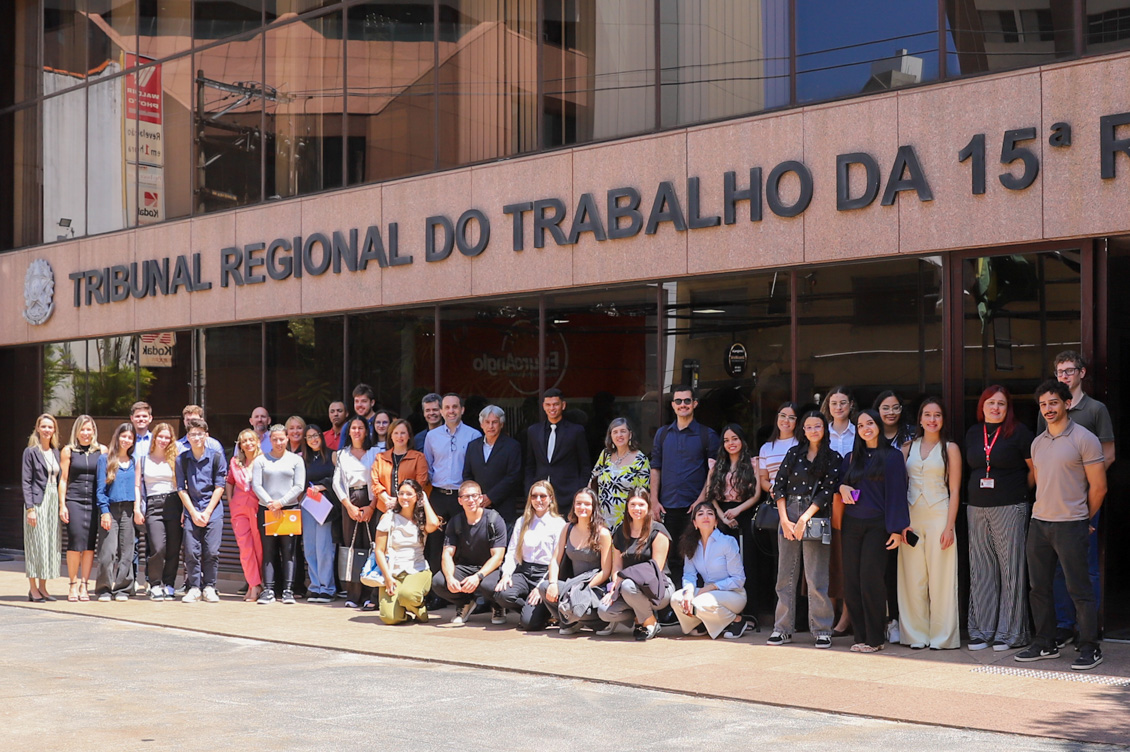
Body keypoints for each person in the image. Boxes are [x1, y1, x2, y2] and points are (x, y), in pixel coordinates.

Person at [1017, 380, 1107, 671]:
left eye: (1053, 402)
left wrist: (1085, 518)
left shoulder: (1085, 438)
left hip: (1071, 524)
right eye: (1043, 404)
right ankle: (1045, 642)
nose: (1048, 409)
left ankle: (1090, 646)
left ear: (1067, 404)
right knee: (1038, 588)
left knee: (1078, 588)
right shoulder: (1038, 442)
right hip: (1040, 523)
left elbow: (1099, 487)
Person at [1039, 351, 1115, 648]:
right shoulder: (1047, 409)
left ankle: (1089, 629)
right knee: (1058, 566)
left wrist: (1083, 483)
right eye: (1060, 371)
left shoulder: (1096, 409)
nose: (1065, 376)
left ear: (1081, 373)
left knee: (1087, 566)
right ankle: (1064, 625)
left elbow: (1108, 455)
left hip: (1085, 499)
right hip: (1054, 502)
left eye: (1070, 371)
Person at [964, 385, 1034, 651]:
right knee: (981, 570)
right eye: (991, 403)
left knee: (1011, 570)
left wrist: (1018, 493)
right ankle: (982, 631)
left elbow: (1034, 470)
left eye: (1001, 404)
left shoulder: (1020, 432)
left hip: (1011, 507)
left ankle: (1010, 633)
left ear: (1008, 408)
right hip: (976, 507)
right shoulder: (973, 433)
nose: (996, 408)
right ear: (982, 406)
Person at [838, 409, 911, 653]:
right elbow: (838, 483)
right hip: (851, 525)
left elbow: (897, 494)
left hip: (878, 526)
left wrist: (897, 529)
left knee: (871, 580)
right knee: (852, 582)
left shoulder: (892, 456)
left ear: (878, 425)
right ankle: (859, 636)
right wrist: (843, 487)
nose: (865, 428)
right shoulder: (851, 457)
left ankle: (875, 638)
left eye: (870, 423)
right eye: (860, 425)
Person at [768, 411, 841, 648]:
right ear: (803, 430)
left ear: (824, 429)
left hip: (816, 514)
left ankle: (821, 629)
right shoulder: (793, 453)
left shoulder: (832, 457)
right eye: (808, 427)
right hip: (788, 511)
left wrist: (805, 518)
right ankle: (782, 628)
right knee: (785, 575)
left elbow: (827, 492)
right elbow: (778, 487)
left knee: (816, 576)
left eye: (817, 426)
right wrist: (785, 520)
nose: (813, 431)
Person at [898, 398, 961, 650]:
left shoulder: (950, 448)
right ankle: (915, 635)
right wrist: (901, 523)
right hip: (912, 517)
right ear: (920, 419)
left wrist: (949, 527)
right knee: (912, 578)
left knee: (942, 578)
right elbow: (899, 489)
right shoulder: (906, 448)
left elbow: (955, 490)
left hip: (939, 515)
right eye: (927, 415)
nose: (932, 419)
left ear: (942, 419)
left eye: (937, 415)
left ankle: (942, 637)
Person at [650, 385, 720, 586]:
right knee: (669, 559)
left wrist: (700, 501)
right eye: (678, 401)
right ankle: (673, 607)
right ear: (672, 405)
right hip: (667, 507)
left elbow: (712, 472)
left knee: (696, 557)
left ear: (695, 404)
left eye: (687, 401)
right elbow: (655, 469)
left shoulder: (707, 435)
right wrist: (654, 500)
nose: (683, 405)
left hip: (695, 509)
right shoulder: (662, 435)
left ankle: (697, 605)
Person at [424, 393, 482, 589]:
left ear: (462, 410)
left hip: (463, 498)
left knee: (464, 543)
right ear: (441, 411)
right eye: (447, 408)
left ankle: (462, 590)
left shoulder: (474, 435)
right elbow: (428, 467)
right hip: (438, 497)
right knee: (435, 543)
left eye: (455, 407)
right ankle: (436, 591)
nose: (451, 411)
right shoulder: (431, 437)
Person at [598, 490, 673, 640]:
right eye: (633, 504)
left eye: (641, 505)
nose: (637, 509)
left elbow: (655, 568)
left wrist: (622, 578)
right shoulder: (621, 530)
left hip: (657, 588)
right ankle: (643, 618)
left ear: (648, 507)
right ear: (627, 507)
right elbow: (617, 566)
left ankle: (648, 621)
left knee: (627, 585)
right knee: (604, 611)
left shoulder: (658, 531)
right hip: (628, 589)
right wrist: (614, 584)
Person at [432, 480, 508, 625]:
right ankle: (465, 603)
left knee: (488, 586)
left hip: (491, 569)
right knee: (438, 582)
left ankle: (498, 606)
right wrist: (449, 578)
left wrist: (478, 576)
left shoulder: (494, 519)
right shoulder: (455, 522)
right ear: (460, 500)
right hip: (466, 566)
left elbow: (498, 557)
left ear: (481, 498)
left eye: (474, 496)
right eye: (466, 497)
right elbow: (447, 554)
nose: (471, 500)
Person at [492, 480, 566, 630]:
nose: (538, 500)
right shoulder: (522, 522)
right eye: (534, 496)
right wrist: (506, 574)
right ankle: (531, 609)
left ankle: (541, 613)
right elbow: (512, 551)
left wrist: (540, 588)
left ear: (551, 498)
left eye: (543, 496)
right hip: (524, 571)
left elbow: (557, 560)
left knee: (529, 624)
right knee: (501, 594)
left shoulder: (558, 524)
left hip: (545, 574)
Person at [539, 488, 613, 634]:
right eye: (578, 503)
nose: (582, 507)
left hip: (594, 587)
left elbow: (606, 571)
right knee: (545, 587)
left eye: (587, 504)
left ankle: (597, 622)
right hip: (571, 584)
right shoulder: (567, 528)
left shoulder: (603, 533)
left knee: (580, 603)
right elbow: (555, 560)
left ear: (594, 507)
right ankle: (570, 621)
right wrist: (553, 583)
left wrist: (582, 588)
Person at [671, 501, 748, 639]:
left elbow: (739, 579)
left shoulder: (727, 542)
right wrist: (688, 591)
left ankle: (736, 620)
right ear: (695, 523)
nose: (705, 516)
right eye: (700, 514)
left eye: (710, 513)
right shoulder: (690, 544)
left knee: (701, 601)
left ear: (716, 521)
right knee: (677, 598)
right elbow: (689, 575)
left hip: (732, 594)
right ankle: (701, 623)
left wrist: (711, 587)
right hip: (707, 594)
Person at [872, 389, 911, 643]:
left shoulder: (910, 435)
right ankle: (888, 620)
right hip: (878, 508)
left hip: (909, 506)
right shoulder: (869, 435)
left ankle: (903, 619)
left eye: (895, 407)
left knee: (905, 569)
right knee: (883, 569)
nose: (890, 412)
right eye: (885, 408)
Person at [253, 424, 307, 605]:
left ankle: (288, 590)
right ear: (270, 440)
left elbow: (299, 485)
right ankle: (268, 589)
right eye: (274, 439)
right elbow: (257, 485)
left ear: (287, 439)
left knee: (289, 551)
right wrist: (270, 503)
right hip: (267, 509)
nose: (278, 442)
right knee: (268, 550)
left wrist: (281, 503)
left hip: (289, 509)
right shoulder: (261, 460)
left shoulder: (296, 460)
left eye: (281, 439)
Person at [373, 478, 440, 624]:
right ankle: (405, 612)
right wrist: (388, 578)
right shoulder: (388, 517)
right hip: (392, 572)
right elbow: (379, 550)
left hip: (417, 569)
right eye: (401, 493)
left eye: (409, 494)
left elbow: (434, 524)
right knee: (390, 618)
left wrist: (425, 500)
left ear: (417, 496)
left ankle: (419, 608)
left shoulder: (422, 520)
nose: (404, 497)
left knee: (408, 595)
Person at [175, 417, 227, 603]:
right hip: (191, 509)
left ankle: (210, 586)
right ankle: (194, 587)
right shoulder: (182, 459)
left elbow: (220, 487)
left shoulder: (216, 457)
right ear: (187, 437)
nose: (196, 437)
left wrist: (206, 512)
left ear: (206, 435)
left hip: (212, 510)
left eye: (199, 434)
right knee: (191, 551)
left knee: (212, 551)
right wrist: (193, 512)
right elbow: (181, 488)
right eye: (192, 434)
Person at [332, 416, 379, 608]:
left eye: (361, 428)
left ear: (366, 431)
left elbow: (379, 480)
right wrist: (348, 506)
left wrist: (372, 506)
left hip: (370, 501)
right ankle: (353, 595)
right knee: (351, 546)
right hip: (349, 502)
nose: (357, 431)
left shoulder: (375, 452)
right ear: (348, 432)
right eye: (353, 428)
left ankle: (370, 594)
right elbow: (336, 483)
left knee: (370, 545)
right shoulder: (342, 454)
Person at [58, 414, 106, 602]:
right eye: (82, 430)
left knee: (88, 545)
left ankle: (85, 585)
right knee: (76, 542)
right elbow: (63, 479)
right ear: (76, 432)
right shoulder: (68, 451)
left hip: (94, 502)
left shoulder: (101, 450)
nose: (86, 433)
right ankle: (72, 584)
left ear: (94, 431)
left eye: (89, 429)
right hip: (75, 500)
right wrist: (62, 504)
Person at [820, 386, 855, 636]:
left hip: (855, 500)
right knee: (829, 560)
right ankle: (829, 614)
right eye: (834, 403)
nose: (839, 407)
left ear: (851, 405)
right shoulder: (822, 431)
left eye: (843, 402)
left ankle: (848, 616)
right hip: (825, 501)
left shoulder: (859, 430)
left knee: (849, 559)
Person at [525, 388, 590, 515]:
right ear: (543, 406)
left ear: (563, 405)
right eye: (548, 405)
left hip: (568, 496)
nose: (552, 408)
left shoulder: (576, 431)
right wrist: (530, 490)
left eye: (555, 404)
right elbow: (530, 465)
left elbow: (585, 465)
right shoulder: (533, 431)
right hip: (540, 497)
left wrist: (579, 491)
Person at [136, 422, 181, 601]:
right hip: (153, 505)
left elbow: (181, 486)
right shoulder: (143, 460)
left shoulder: (176, 459)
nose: (163, 440)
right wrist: (137, 508)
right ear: (154, 437)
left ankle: (168, 584)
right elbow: (137, 486)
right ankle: (154, 584)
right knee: (157, 546)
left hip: (174, 503)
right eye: (160, 436)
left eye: (167, 437)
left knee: (173, 547)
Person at [94, 423, 137, 601]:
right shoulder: (105, 459)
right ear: (117, 437)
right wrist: (104, 511)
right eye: (123, 436)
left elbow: (137, 487)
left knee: (127, 551)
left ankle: (123, 589)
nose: (126, 440)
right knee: (108, 551)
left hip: (128, 510)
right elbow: (100, 490)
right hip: (110, 509)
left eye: (130, 437)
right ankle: (104, 588)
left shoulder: (133, 461)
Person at [462, 405, 524, 527]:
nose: (490, 426)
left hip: (503, 508)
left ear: (501, 424)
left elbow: (513, 477)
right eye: (487, 422)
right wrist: (475, 497)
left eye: (494, 422)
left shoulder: (512, 446)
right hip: (476, 507)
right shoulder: (472, 446)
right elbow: (467, 474)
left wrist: (490, 497)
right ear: (481, 425)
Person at [22, 414, 62, 602]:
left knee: (49, 544)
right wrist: (30, 509)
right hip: (38, 502)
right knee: (35, 545)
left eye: (50, 427)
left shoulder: (55, 451)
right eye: (44, 426)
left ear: (54, 430)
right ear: (38, 428)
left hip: (53, 501)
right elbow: (26, 481)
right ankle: (33, 588)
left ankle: (44, 588)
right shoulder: (30, 452)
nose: (47, 430)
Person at [226, 429, 265, 602]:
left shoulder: (265, 460)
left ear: (257, 441)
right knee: (245, 547)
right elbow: (229, 482)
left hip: (259, 507)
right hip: (240, 508)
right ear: (240, 445)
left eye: (251, 440)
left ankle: (257, 584)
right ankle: (253, 584)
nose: (248, 443)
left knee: (259, 548)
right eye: (244, 441)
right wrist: (230, 501)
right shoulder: (235, 462)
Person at [301, 424, 340, 603]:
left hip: (325, 503)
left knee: (323, 547)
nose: (313, 439)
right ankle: (315, 586)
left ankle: (327, 588)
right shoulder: (303, 459)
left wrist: (322, 486)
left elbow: (339, 478)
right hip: (308, 503)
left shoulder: (332, 455)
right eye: (309, 437)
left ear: (321, 436)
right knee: (310, 547)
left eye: (316, 435)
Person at [589, 417, 650, 528]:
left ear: (630, 435)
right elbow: (592, 481)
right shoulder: (605, 455)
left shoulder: (640, 459)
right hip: (602, 519)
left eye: (623, 431)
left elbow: (644, 494)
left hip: (627, 519)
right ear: (610, 436)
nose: (619, 435)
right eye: (615, 432)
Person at [371, 418, 431, 513]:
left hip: (409, 510)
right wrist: (387, 500)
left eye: (403, 433)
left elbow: (420, 483)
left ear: (409, 436)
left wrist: (400, 501)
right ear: (390, 436)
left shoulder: (418, 458)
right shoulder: (380, 458)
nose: (399, 436)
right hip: (385, 508)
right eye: (396, 433)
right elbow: (375, 482)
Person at [758, 402, 799, 496]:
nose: (786, 420)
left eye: (792, 418)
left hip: (798, 499)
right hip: (774, 499)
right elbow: (763, 479)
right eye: (783, 416)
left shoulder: (802, 445)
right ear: (777, 418)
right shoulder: (766, 448)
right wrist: (773, 489)